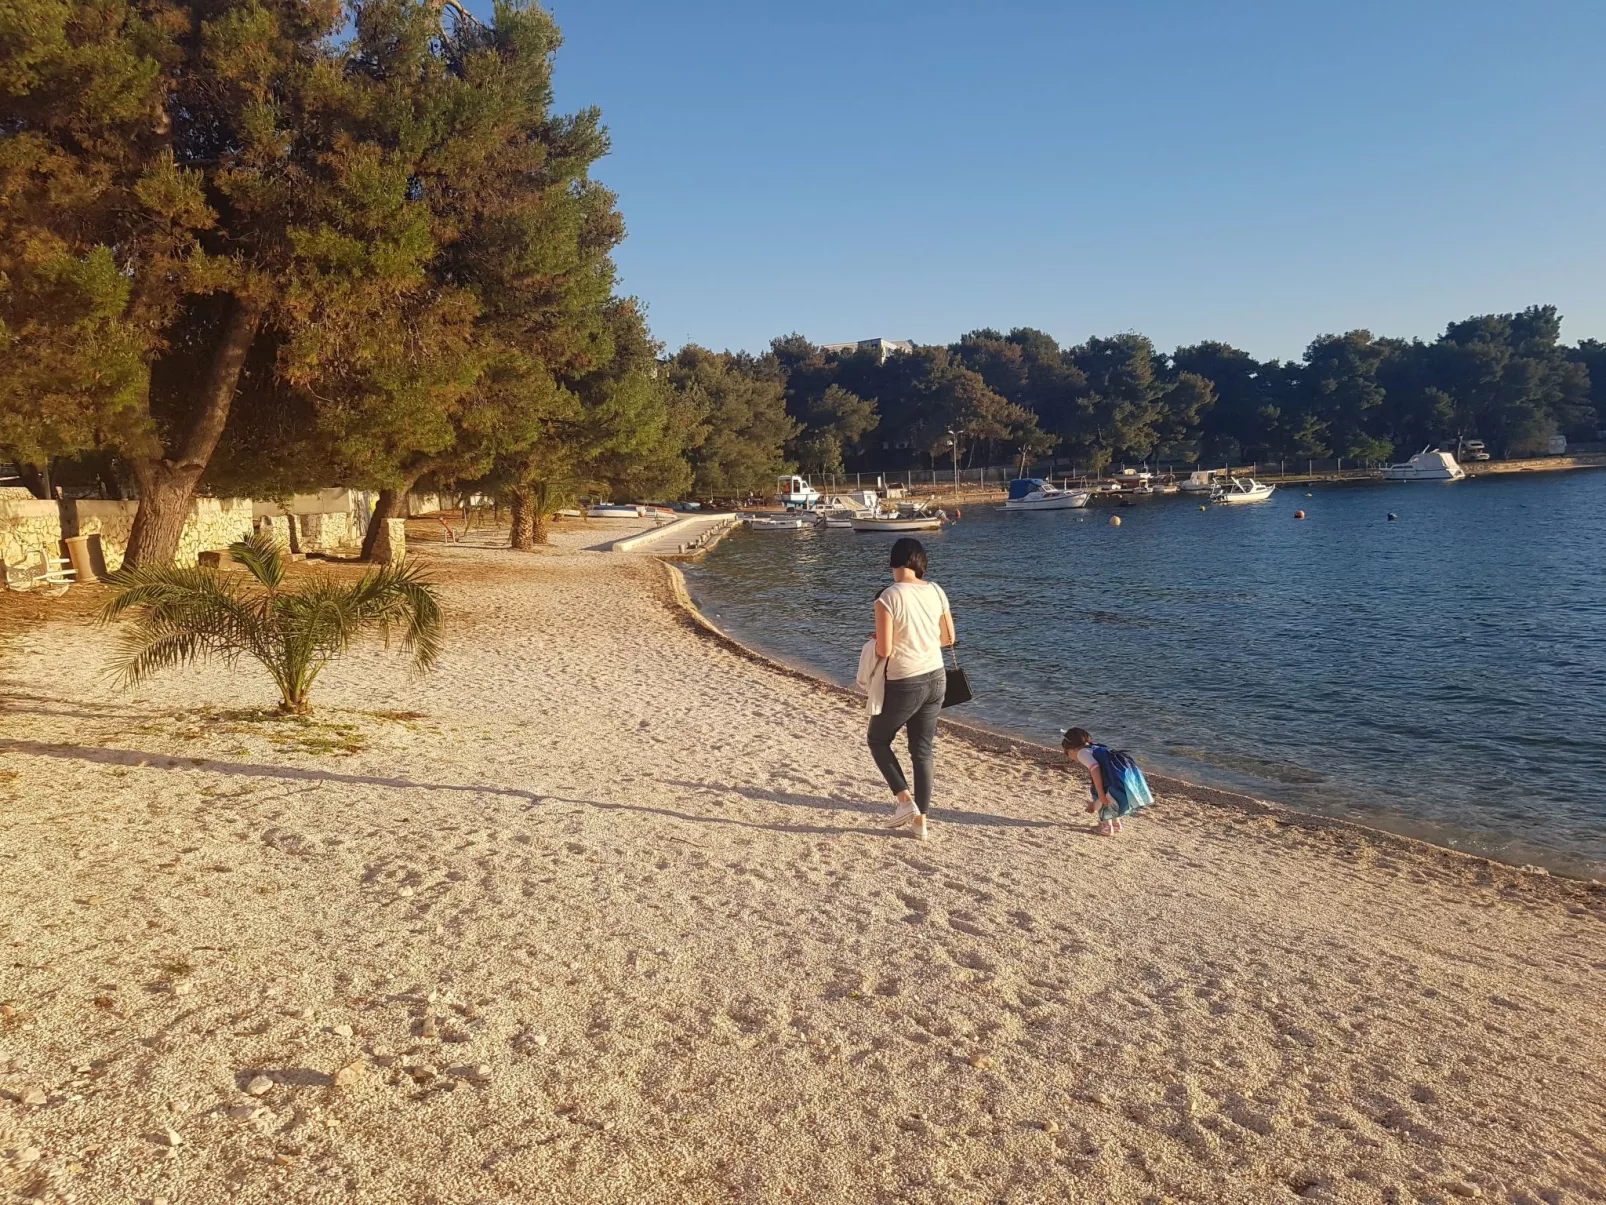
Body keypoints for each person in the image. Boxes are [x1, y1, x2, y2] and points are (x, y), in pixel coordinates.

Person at [868, 538, 955, 840]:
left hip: (906, 680)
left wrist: (876, 638)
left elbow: (885, 648)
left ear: (894, 562)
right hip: (937, 676)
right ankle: (922, 823)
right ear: (919, 563)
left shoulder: (887, 597)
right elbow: (948, 638)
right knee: (922, 750)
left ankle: (905, 802)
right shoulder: (936, 590)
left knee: (878, 739)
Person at [1061, 727, 1154, 836]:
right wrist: (1095, 803)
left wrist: (1100, 793)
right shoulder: (1095, 747)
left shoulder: (1082, 753)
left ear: (1072, 749)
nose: (1071, 758)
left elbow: (1095, 768)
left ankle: (1106, 827)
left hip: (1112, 776)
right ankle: (1116, 824)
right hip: (1123, 773)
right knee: (1110, 797)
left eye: (1068, 753)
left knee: (1102, 795)